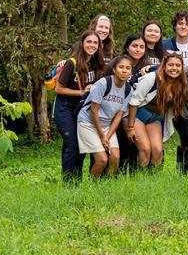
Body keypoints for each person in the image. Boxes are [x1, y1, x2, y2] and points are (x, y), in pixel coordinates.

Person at [53, 30, 105, 182]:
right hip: (65, 107)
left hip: (81, 109)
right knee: (72, 143)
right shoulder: (72, 63)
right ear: (82, 43)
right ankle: (68, 182)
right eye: (89, 42)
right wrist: (82, 92)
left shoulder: (97, 64)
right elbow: (59, 88)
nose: (92, 45)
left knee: (82, 145)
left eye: (95, 42)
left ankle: (77, 180)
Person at [124, 53, 187, 170]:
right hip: (136, 115)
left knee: (158, 151)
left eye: (178, 65)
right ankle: (140, 181)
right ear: (164, 66)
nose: (174, 68)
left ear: (182, 68)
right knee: (145, 149)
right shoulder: (152, 78)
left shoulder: (180, 84)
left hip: (154, 118)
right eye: (171, 65)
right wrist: (130, 127)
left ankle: (152, 181)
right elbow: (134, 102)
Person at [76, 55, 132, 177]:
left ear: (130, 72)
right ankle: (93, 188)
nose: (124, 70)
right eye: (121, 67)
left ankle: (107, 184)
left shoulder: (128, 89)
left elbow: (119, 115)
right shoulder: (103, 84)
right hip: (88, 123)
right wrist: (102, 136)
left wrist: (108, 135)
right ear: (114, 69)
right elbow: (93, 111)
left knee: (115, 157)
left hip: (107, 125)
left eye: (128, 68)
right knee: (102, 160)